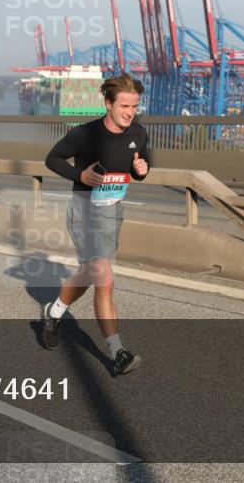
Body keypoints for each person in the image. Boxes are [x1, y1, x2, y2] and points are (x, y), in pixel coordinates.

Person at [40, 73, 150, 376]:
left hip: (113, 211)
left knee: (88, 274)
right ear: (108, 104)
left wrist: (142, 169)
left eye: (134, 106)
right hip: (84, 210)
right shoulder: (85, 134)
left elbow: (142, 163)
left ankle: (54, 312)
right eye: (124, 106)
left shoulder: (138, 133)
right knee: (105, 279)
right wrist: (80, 176)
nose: (130, 112)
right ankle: (118, 353)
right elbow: (52, 158)